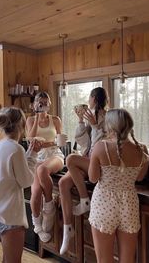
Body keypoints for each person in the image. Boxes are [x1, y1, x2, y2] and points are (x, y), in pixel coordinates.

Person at [88, 108, 149, 263]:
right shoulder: (142, 150)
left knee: (104, 260)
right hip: (129, 204)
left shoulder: (101, 147)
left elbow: (93, 178)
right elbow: (140, 177)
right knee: (127, 259)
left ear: (110, 126)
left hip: (104, 203)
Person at [0, 107, 41, 263]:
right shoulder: (16, 149)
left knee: (7, 258)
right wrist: (34, 155)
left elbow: (14, 172)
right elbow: (26, 181)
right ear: (21, 125)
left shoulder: (1, 144)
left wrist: (29, 153)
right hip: (9, 215)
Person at [59, 87, 108, 255]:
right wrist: (81, 121)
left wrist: (95, 126)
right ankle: (68, 229)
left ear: (94, 98)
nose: (88, 100)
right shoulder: (90, 116)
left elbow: (104, 143)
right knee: (63, 183)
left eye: (89, 97)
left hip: (97, 164)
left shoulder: (106, 117)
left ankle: (84, 200)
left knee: (70, 159)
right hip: (88, 158)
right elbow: (82, 142)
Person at [26, 91, 65, 242]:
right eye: (39, 102)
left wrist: (47, 143)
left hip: (54, 155)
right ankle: (37, 227)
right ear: (35, 104)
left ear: (49, 104)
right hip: (37, 156)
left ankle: (49, 208)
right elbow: (30, 140)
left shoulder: (55, 119)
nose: (43, 105)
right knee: (35, 193)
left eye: (45, 102)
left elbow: (61, 141)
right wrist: (37, 117)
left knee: (42, 170)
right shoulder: (30, 120)